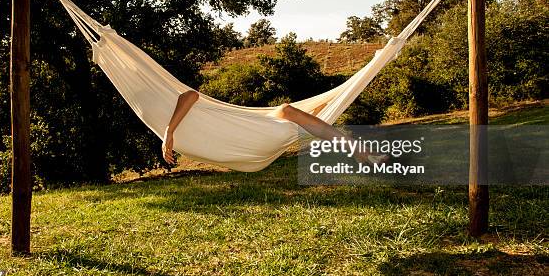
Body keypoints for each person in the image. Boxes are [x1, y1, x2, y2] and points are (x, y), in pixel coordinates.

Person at [161, 90, 385, 166]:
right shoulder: (176, 125)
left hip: (255, 133)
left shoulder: (175, 119)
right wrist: (169, 132)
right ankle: (356, 149)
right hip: (254, 137)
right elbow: (190, 96)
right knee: (288, 111)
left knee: (303, 115)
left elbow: (189, 95)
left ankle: (355, 148)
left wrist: (169, 133)